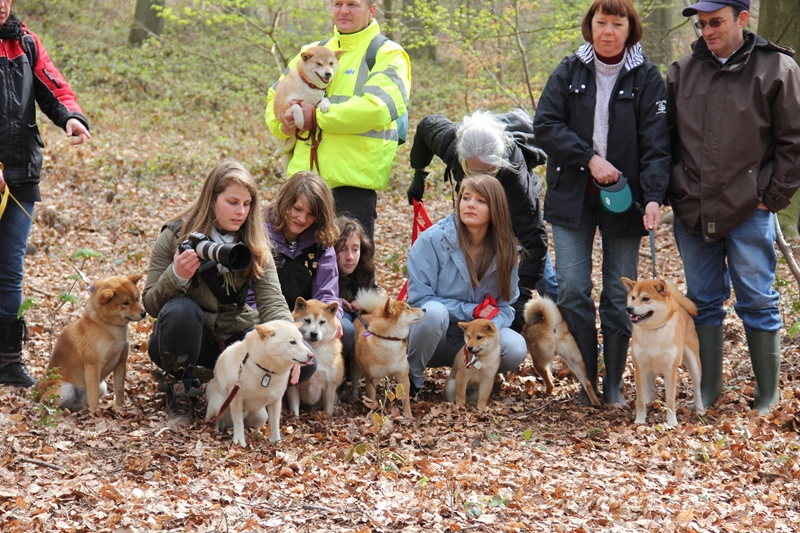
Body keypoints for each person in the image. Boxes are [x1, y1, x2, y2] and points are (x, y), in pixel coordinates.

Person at [533, 0, 670, 406]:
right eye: (601, 22)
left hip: (625, 201)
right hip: (571, 196)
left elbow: (658, 145)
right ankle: (586, 379)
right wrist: (589, 159)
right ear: (589, 26)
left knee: (618, 291)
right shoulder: (569, 69)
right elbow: (545, 124)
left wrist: (654, 197)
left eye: (617, 23)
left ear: (631, 29)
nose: (608, 30)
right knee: (573, 288)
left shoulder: (647, 77)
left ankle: (613, 384)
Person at [667, 0, 800, 414]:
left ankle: (766, 396)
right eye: (702, 24)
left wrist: (770, 198)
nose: (707, 31)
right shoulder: (682, 72)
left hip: (750, 210)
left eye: (716, 22)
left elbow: (793, 143)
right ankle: (708, 392)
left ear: (743, 19)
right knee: (703, 299)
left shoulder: (777, 69)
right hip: (693, 208)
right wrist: (676, 189)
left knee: (757, 300)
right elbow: (663, 141)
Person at [144, 160, 298, 428]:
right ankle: (181, 393)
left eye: (247, 204)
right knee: (181, 309)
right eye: (232, 202)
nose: (241, 212)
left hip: (230, 339)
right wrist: (177, 275)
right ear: (211, 199)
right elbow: (151, 304)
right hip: (185, 339)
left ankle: (247, 395)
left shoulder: (253, 242)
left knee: (305, 365)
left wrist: (293, 344)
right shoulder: (174, 236)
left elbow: (272, 301)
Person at [264, 0, 411, 244]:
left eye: (352, 4)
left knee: (352, 273)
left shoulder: (388, 54)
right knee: (296, 273)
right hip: (303, 185)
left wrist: (318, 118)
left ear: (371, 10)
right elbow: (274, 96)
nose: (343, 10)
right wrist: (282, 125)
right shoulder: (312, 50)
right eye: (338, 3)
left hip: (352, 185)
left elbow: (378, 108)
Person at [0, 0, 91, 388]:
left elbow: (54, 87)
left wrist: (71, 117)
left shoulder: (26, 42)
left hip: (20, 172)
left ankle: (6, 362)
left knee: (10, 269)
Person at [407, 109, 549, 332]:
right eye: (473, 172)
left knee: (549, 280)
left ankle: (573, 335)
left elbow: (534, 237)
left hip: (513, 217)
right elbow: (426, 125)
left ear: (498, 163)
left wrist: (524, 294)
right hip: (481, 219)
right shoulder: (450, 143)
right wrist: (419, 174)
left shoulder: (516, 180)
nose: (480, 179)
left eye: (487, 171)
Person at [406, 174, 528, 398]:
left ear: (496, 209)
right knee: (434, 312)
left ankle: (475, 379)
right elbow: (418, 302)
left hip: (473, 344)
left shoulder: (506, 249)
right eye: (466, 197)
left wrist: (488, 324)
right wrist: (471, 312)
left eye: (481, 201)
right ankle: (411, 380)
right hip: (432, 340)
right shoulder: (431, 241)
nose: (470, 204)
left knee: (515, 346)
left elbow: (506, 306)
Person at [252, 171, 351, 355]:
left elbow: (327, 293)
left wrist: (334, 318)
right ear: (285, 202)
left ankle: (333, 380)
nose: (302, 219)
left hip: (309, 320)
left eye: (311, 214)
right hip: (265, 315)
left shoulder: (322, 241)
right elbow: (250, 294)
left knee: (348, 331)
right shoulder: (260, 232)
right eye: (297, 209)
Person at [334, 216, 375, 365]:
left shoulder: (364, 270)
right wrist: (336, 302)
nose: (350, 257)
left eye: (355, 249)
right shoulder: (324, 271)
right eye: (343, 249)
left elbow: (374, 292)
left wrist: (364, 302)